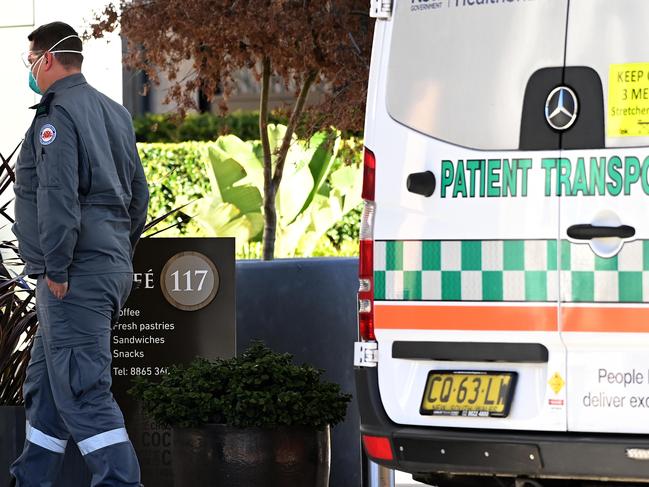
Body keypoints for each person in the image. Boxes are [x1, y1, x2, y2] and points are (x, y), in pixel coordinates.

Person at [9, 21, 149, 487]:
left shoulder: (57, 116)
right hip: (105, 268)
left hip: (71, 276)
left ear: (46, 58)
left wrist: (58, 265)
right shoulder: (116, 113)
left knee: (85, 393)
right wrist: (116, 257)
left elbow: (56, 195)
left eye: (29, 58)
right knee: (47, 391)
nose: (27, 68)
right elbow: (138, 197)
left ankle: (120, 483)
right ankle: (33, 480)